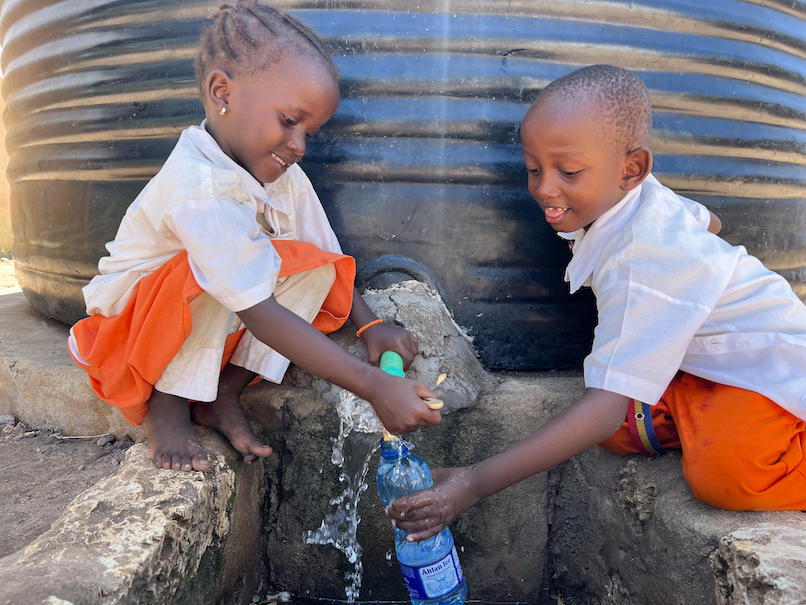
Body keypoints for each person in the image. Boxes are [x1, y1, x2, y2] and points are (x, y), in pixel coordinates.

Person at [386, 64, 806, 541]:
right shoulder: (635, 199)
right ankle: (693, 412)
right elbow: (707, 221)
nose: (545, 187)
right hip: (705, 369)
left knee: (728, 478)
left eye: (568, 172)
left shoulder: (641, 259)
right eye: (533, 168)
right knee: (617, 432)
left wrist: (473, 483)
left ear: (631, 169)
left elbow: (605, 404)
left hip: (767, 374)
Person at [68, 1, 441, 473]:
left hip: (198, 321)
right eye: (289, 120)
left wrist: (369, 327)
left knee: (313, 266)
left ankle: (221, 394)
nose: (299, 144)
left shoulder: (282, 172)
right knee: (208, 274)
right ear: (222, 91)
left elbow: (326, 257)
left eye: (310, 131)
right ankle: (167, 403)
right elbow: (258, 312)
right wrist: (371, 384)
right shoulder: (199, 188)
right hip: (132, 336)